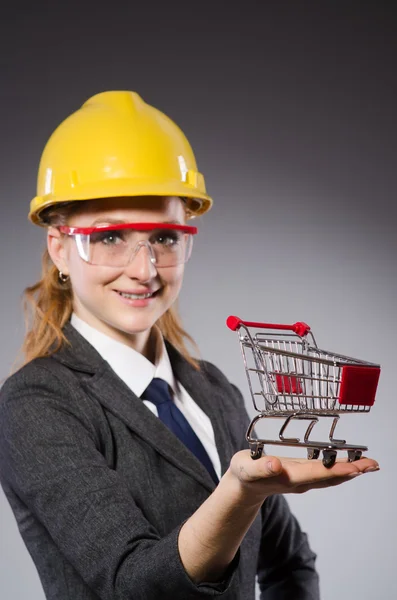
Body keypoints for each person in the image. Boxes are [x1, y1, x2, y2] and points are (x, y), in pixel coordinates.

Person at [0, 91, 379, 600]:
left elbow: (290, 565)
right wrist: (239, 495)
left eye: (165, 237)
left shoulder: (213, 391)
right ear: (60, 247)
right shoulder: (35, 406)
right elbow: (133, 584)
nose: (144, 269)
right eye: (110, 238)